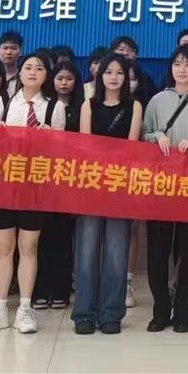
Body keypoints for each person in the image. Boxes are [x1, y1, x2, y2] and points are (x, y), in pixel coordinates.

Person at [141, 44, 188, 333]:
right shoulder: (156, 100)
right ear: (170, 67)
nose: (182, 69)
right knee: (157, 249)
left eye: (187, 64)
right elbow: (143, 135)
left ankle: (183, 311)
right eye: (177, 64)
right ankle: (160, 310)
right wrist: (156, 136)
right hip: (160, 184)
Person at [0, 51, 52, 336]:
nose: (33, 72)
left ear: (46, 75)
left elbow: (63, 155)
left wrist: (51, 137)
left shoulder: (53, 107)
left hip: (35, 186)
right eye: (28, 67)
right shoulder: (4, 102)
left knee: (29, 247)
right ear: (19, 73)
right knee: (4, 247)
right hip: (5, 184)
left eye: (39, 68)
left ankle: (24, 308)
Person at [74, 53, 143, 335]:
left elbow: (132, 146)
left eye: (119, 72)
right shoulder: (88, 105)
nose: (114, 77)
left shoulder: (134, 106)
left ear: (126, 77)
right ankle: (84, 313)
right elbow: (85, 145)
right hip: (91, 184)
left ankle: (111, 313)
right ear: (99, 75)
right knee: (87, 251)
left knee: (116, 251)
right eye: (108, 72)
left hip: (120, 185)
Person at [33, 60, 82, 309]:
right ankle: (40, 290)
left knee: (63, 236)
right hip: (42, 177)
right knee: (41, 236)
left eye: (69, 78)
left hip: (69, 178)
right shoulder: (44, 105)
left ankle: (61, 290)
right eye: (60, 78)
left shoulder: (82, 107)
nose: (64, 83)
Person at [112, 35, 158, 106]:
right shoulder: (105, 73)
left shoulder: (143, 76)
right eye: (121, 49)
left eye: (130, 50)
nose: (125, 53)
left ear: (136, 55)